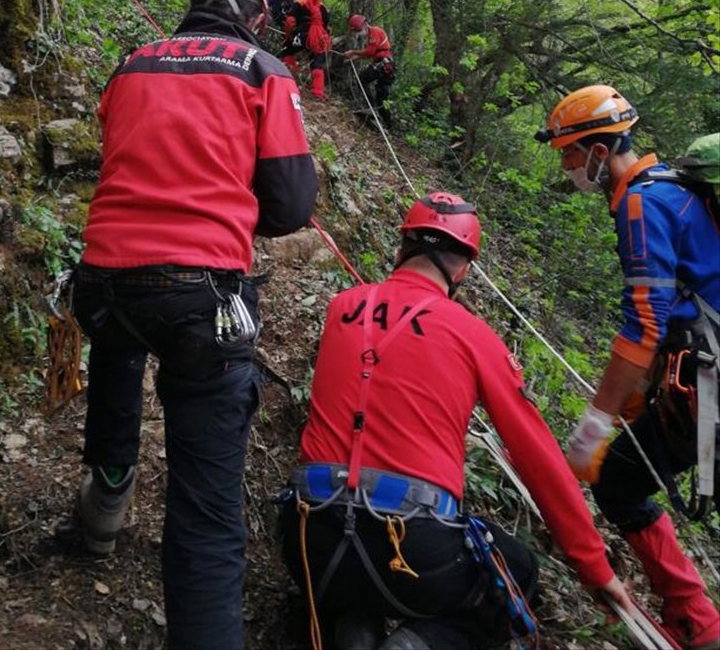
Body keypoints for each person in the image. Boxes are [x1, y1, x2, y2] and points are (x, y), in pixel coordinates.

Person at [71, 0, 318, 650]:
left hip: (104, 276)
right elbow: (292, 205)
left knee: (117, 352)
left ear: (196, 1)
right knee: (206, 509)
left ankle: (103, 508)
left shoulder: (130, 65)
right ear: (256, 14)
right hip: (199, 292)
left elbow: (123, 154)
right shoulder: (262, 70)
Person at [280, 192, 633, 650]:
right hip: (415, 546)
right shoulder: (474, 336)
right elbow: (538, 458)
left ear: (400, 247)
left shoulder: (340, 307)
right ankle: (420, 643)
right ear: (464, 268)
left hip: (309, 531)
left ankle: (350, 627)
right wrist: (595, 568)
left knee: (345, 574)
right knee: (516, 571)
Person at [536, 86, 720, 650]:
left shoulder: (641, 203)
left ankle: (696, 620)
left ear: (598, 148)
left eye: (570, 155)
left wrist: (595, 424)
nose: (567, 168)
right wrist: (640, 393)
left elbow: (643, 323)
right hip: (698, 366)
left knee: (616, 480)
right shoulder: (673, 187)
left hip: (708, 379)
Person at [281, 0, 332, 100]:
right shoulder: (324, 8)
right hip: (319, 38)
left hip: (302, 34)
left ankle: (289, 78)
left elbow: (290, 21)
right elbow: (328, 28)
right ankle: (318, 92)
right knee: (317, 63)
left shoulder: (300, 3)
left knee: (287, 51)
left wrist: (288, 36)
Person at [344, 14, 395, 128]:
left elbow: (370, 52)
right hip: (383, 64)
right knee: (380, 96)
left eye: (359, 30)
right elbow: (372, 53)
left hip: (384, 65)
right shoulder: (372, 34)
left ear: (364, 25)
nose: (359, 33)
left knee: (365, 81)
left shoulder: (375, 32)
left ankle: (381, 117)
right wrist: (354, 58)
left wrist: (353, 52)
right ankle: (377, 114)